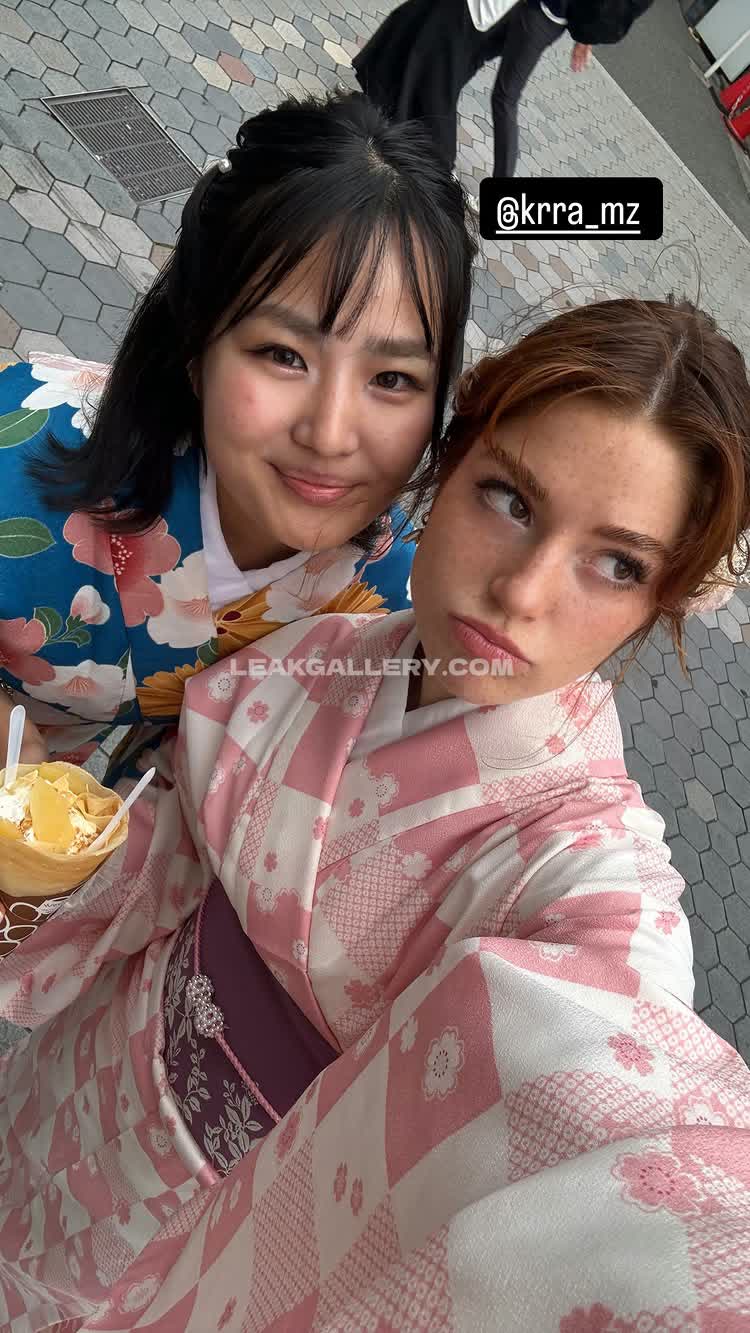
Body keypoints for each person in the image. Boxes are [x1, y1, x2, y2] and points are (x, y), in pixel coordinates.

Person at [2, 297, 750, 1329]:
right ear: (450, 460)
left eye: (616, 563)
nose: (524, 590)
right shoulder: (331, 647)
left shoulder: (583, 864)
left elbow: (626, 1102)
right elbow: (173, 854)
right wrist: (41, 841)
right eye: (510, 499)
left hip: (217, 1229)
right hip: (79, 1079)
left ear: (659, 602)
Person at [0, 90, 476, 779]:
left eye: (394, 378)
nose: (330, 434)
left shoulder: (388, 600)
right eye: (284, 355)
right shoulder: (21, 440)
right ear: (197, 343)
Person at [353, 0, 654, 179]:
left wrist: (584, 35)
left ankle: (441, 162)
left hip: (532, 14)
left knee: (497, 93)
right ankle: (387, 103)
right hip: (519, 11)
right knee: (439, 42)